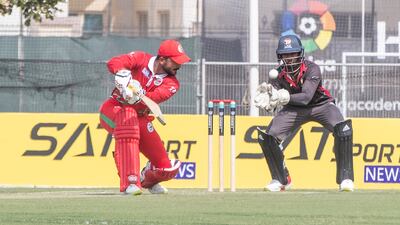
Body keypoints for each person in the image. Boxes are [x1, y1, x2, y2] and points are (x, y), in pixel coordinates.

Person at [254, 34, 354, 192]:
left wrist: (283, 97)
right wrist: (268, 99)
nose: (290, 58)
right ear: (280, 56)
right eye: (286, 55)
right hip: (293, 109)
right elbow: (275, 99)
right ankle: (281, 180)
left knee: (343, 129)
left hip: (320, 105)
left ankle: (345, 178)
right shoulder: (277, 74)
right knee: (268, 137)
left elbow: (306, 97)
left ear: (300, 54)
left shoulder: (312, 68)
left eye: (293, 54)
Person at [99, 39, 191, 195]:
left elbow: (152, 99)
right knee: (128, 119)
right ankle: (130, 183)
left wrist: (138, 94)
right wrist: (123, 74)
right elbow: (114, 62)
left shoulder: (172, 83)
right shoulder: (141, 59)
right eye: (175, 61)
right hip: (114, 109)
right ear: (162, 59)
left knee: (166, 168)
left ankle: (146, 179)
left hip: (140, 117)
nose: (179, 66)